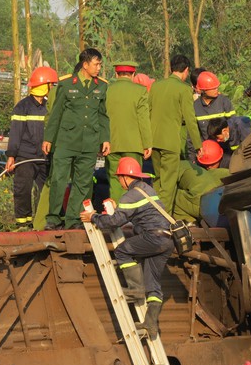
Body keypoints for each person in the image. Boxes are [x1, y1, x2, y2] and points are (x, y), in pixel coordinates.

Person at [80, 157, 174, 339]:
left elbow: (114, 222)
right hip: (167, 240)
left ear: (124, 177)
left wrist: (93, 217)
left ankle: (135, 288)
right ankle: (150, 324)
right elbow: (139, 214)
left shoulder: (130, 195)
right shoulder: (147, 190)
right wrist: (119, 208)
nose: (119, 182)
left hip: (153, 237)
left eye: (119, 178)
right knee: (153, 284)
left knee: (122, 250)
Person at [42, 48, 110, 230]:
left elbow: (103, 115)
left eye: (100, 64)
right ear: (85, 64)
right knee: (58, 179)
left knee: (83, 182)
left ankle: (73, 219)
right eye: (96, 64)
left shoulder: (102, 86)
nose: (99, 68)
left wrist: (105, 139)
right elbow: (55, 114)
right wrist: (48, 138)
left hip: (89, 142)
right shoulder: (65, 84)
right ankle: (53, 218)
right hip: (65, 141)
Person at [149, 54, 202, 214]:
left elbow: (147, 112)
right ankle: (162, 220)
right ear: (186, 71)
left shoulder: (156, 86)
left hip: (153, 141)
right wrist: (198, 145)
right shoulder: (184, 89)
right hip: (171, 143)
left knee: (158, 181)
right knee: (168, 184)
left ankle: (152, 216)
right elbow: (190, 119)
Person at [6, 66, 57, 228]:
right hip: (25, 157)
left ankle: (40, 223)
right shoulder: (22, 107)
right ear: (46, 85)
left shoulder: (50, 107)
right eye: (52, 85)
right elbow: (15, 133)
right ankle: (23, 224)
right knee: (23, 190)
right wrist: (11, 156)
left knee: (44, 192)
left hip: (45, 157)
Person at [106, 61, 153, 203]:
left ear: (116, 74)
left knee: (115, 179)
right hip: (134, 144)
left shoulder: (107, 90)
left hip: (111, 143)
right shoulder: (140, 91)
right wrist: (147, 143)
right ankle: (130, 213)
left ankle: (116, 214)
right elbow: (143, 119)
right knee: (132, 180)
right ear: (133, 74)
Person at [173, 140, 229, 224]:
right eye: (206, 165)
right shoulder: (223, 171)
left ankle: (190, 223)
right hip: (217, 201)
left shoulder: (183, 167)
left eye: (212, 164)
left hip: (203, 203)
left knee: (173, 196)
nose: (209, 167)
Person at [194, 71, 236, 141]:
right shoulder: (195, 106)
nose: (216, 90)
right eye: (213, 88)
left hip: (226, 146)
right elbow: (193, 133)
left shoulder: (224, 102)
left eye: (217, 87)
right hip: (208, 148)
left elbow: (234, 125)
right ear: (204, 90)